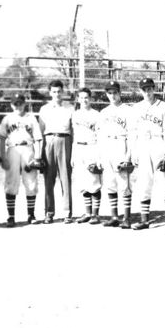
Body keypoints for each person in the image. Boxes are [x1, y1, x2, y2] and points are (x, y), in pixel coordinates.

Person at [129, 77, 165, 230]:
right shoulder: (136, 108)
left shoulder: (163, 106)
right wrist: (134, 151)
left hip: (158, 143)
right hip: (142, 144)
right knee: (144, 182)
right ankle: (144, 219)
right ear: (140, 91)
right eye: (144, 89)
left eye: (149, 88)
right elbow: (133, 131)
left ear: (154, 88)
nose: (147, 92)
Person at [0, 92, 43, 226]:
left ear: (25, 104)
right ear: (11, 105)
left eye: (20, 103)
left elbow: (38, 138)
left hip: (28, 149)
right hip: (12, 149)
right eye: (15, 103)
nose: (18, 106)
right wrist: (3, 157)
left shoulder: (31, 118)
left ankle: (31, 215)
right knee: (11, 182)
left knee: (31, 182)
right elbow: (1, 139)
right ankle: (11, 217)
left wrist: (38, 157)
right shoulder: (7, 119)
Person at [96, 81, 133, 227]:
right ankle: (114, 217)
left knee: (124, 183)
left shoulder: (127, 110)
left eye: (115, 92)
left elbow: (131, 134)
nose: (112, 95)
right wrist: (99, 156)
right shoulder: (104, 112)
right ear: (106, 94)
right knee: (110, 183)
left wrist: (128, 156)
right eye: (109, 93)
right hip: (107, 147)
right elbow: (99, 136)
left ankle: (127, 217)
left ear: (120, 93)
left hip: (121, 144)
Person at [38, 79, 74, 224]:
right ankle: (49, 212)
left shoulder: (69, 108)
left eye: (59, 91)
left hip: (64, 140)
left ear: (63, 92)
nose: (57, 94)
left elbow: (72, 130)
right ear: (50, 93)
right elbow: (40, 132)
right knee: (48, 179)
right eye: (54, 92)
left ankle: (67, 212)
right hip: (49, 141)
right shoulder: (44, 109)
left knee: (65, 178)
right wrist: (40, 152)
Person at [71, 87, 103, 224]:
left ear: (91, 99)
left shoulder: (97, 114)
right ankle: (87, 213)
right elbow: (74, 136)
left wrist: (99, 156)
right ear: (78, 99)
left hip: (92, 147)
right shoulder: (75, 114)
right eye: (81, 97)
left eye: (86, 97)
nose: (84, 100)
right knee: (83, 181)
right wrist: (73, 154)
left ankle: (95, 214)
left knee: (93, 180)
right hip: (78, 147)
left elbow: (100, 136)